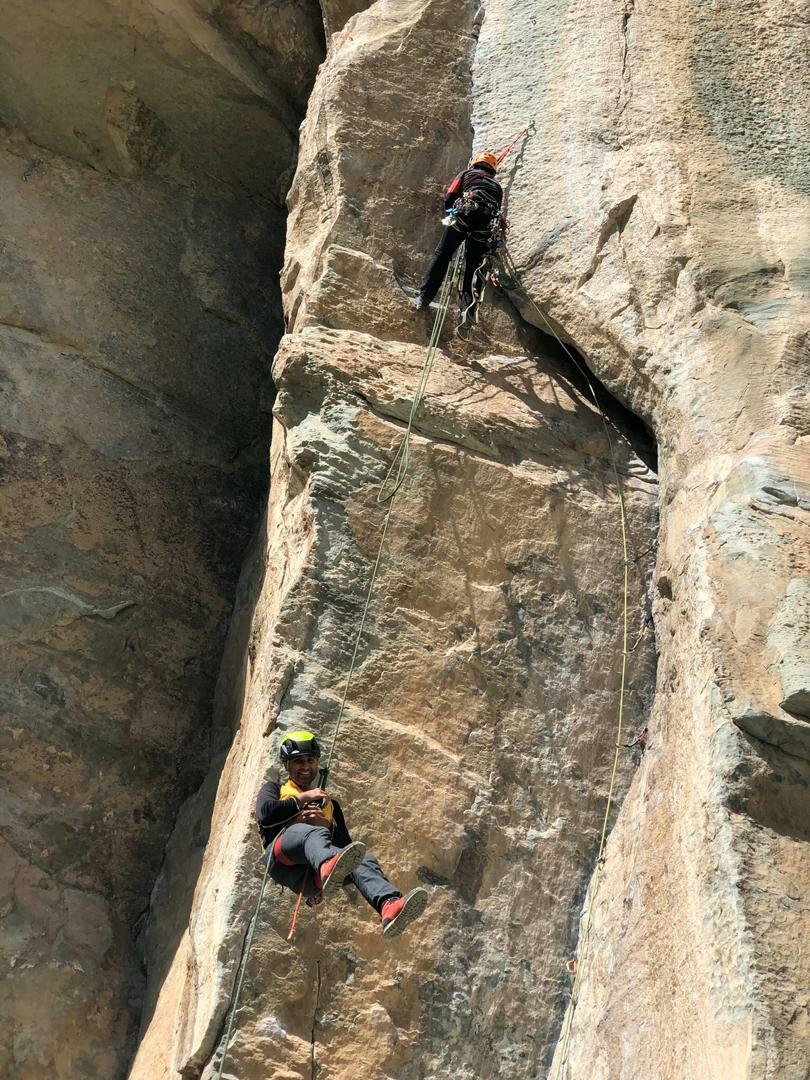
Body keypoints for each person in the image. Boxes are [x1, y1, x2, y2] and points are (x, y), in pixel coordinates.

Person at [256, 730, 428, 937]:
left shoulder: (331, 806)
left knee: (362, 858)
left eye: (310, 760)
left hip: (312, 878)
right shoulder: (275, 790)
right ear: (287, 765)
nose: (305, 766)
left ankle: (388, 905)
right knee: (309, 833)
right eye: (298, 761)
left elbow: (348, 852)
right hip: (282, 861)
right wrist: (303, 800)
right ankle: (327, 864)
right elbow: (265, 814)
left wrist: (326, 826)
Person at [415, 149, 504, 318]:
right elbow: (497, 210)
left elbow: (450, 196)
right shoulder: (497, 187)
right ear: (493, 170)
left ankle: (424, 298)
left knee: (443, 254)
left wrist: (451, 215)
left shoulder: (466, 174)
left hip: (465, 215)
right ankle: (468, 310)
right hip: (485, 226)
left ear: (475, 164)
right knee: (473, 266)